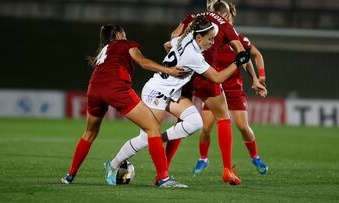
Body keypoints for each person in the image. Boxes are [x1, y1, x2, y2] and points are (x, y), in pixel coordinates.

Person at [106, 15, 260, 187]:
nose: (211, 43)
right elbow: (217, 78)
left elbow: (167, 45)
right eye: (209, 39)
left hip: (171, 92)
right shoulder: (194, 56)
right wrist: (237, 62)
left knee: (195, 122)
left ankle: (156, 140)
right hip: (156, 92)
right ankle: (113, 164)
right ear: (199, 37)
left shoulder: (185, 38)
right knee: (144, 137)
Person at [60, 24, 190, 188]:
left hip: (94, 89)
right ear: (120, 34)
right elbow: (143, 62)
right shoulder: (125, 43)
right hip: (116, 88)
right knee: (153, 128)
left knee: (89, 133)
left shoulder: (104, 51)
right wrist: (168, 70)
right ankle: (164, 178)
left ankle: (70, 175)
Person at [163, 0, 267, 185]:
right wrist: (255, 79)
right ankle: (227, 169)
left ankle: (163, 171)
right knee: (223, 118)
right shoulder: (225, 25)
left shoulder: (193, 17)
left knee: (182, 120)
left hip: (182, 72)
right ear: (226, 15)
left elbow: (173, 37)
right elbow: (243, 53)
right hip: (205, 75)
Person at [192, 1, 268, 175]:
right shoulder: (209, 38)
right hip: (214, 87)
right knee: (206, 127)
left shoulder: (238, 38)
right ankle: (203, 159)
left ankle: (255, 156)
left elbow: (250, 56)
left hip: (233, 88)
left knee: (243, 126)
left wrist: (257, 78)